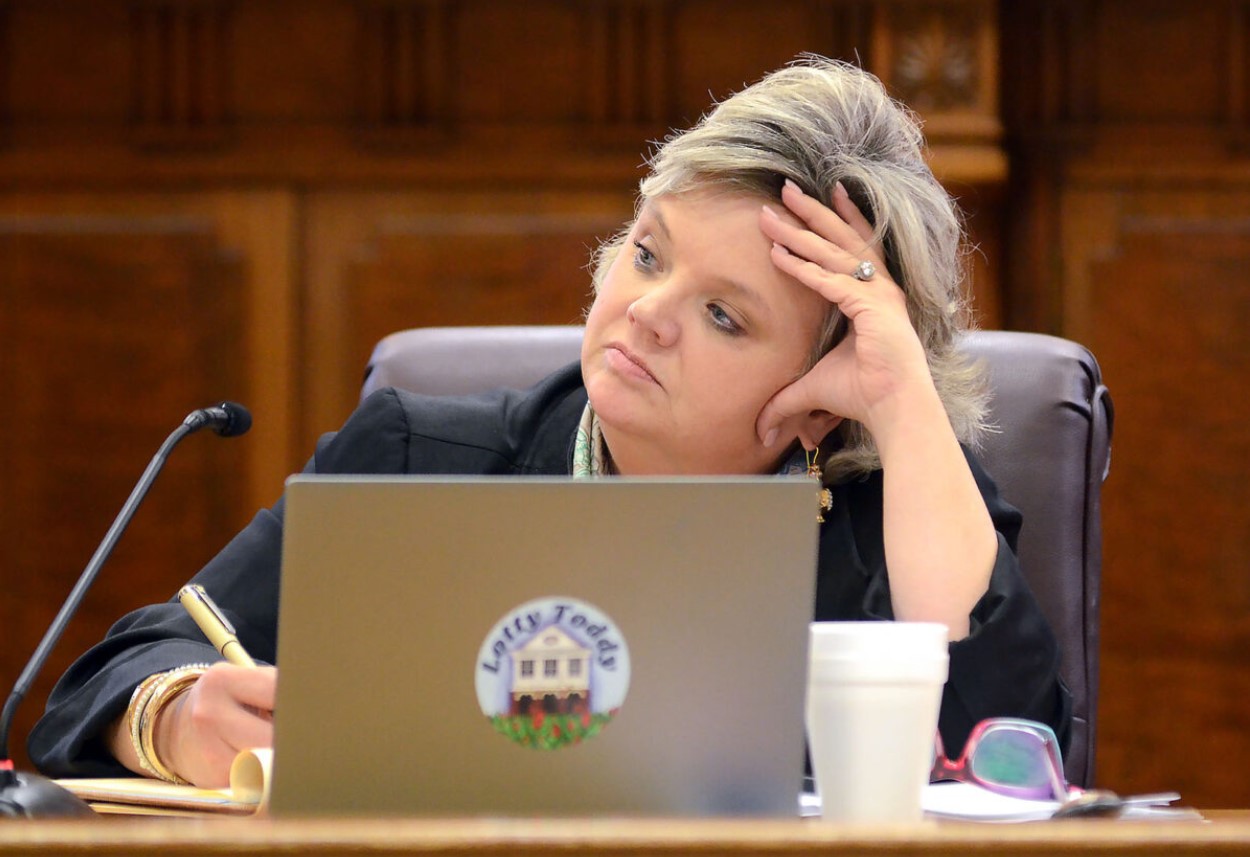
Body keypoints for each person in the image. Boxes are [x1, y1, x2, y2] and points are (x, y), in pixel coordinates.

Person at [29, 56, 1070, 788]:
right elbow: (100, 682)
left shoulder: (896, 511)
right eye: (649, 253)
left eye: (724, 315)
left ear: (823, 387)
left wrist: (904, 403)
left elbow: (1013, 760)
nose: (647, 313)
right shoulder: (415, 460)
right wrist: (173, 717)